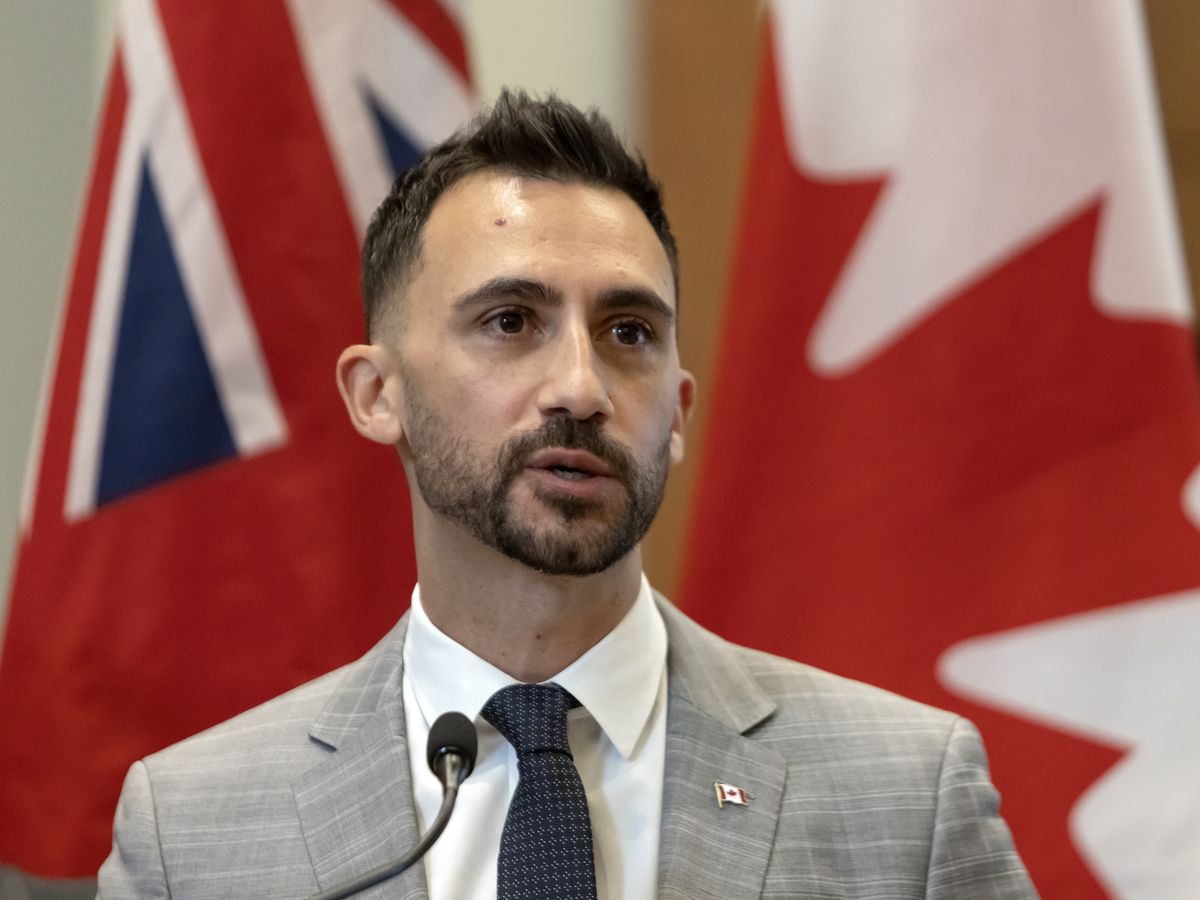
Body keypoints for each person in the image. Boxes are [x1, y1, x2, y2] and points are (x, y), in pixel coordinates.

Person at [98, 90, 1037, 899]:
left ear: (677, 411)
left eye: (628, 331)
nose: (581, 389)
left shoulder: (905, 796)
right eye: (511, 321)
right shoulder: (194, 834)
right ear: (379, 397)